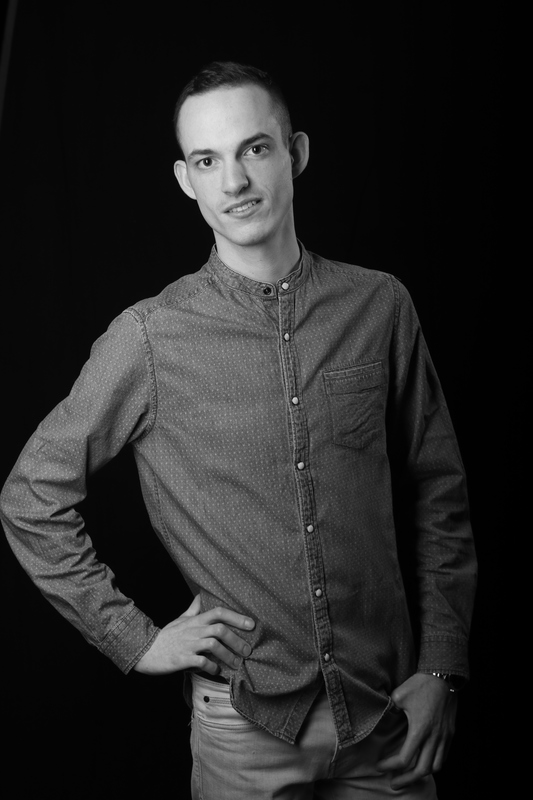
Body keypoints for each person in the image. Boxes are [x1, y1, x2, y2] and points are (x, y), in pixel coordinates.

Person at [0, 61, 477, 799]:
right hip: (243, 732)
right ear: (185, 180)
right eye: (206, 160)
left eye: (254, 148)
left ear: (296, 153)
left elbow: (438, 490)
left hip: (387, 719)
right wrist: (136, 640)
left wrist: (441, 667)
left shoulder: (380, 306)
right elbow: (32, 497)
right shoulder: (149, 337)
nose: (234, 182)